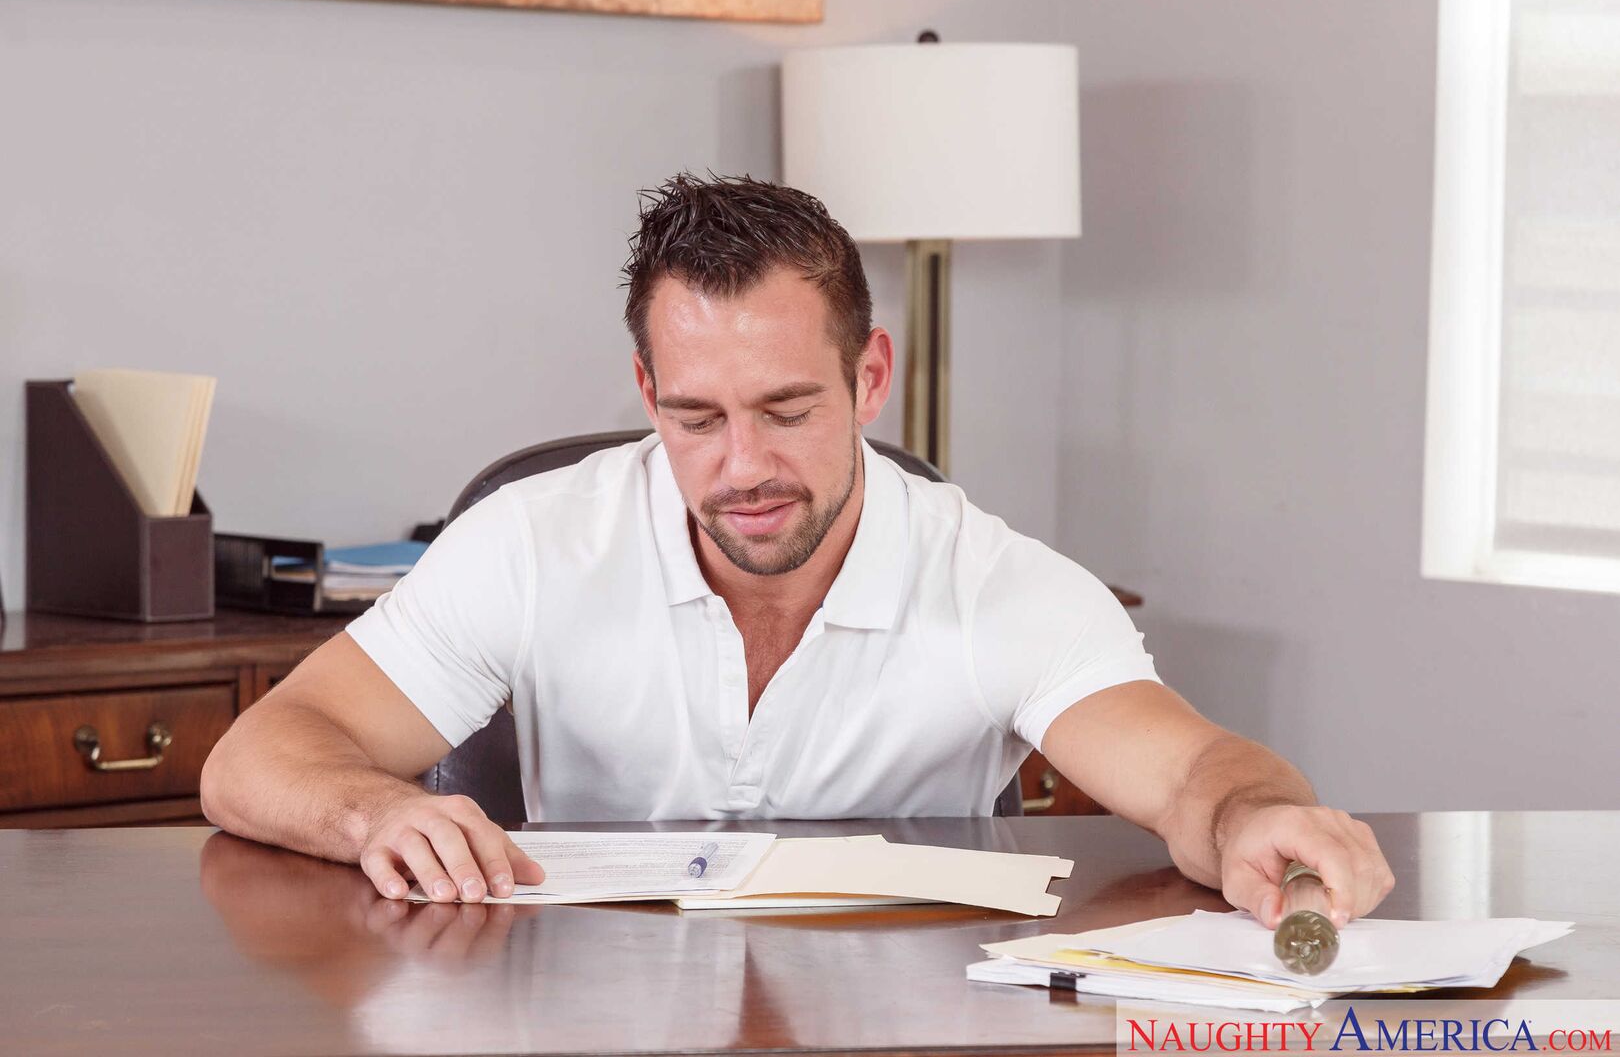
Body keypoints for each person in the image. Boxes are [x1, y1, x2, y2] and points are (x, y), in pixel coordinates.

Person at [201, 173, 1394, 926]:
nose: (743, 468)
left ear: (871, 376)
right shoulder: (530, 538)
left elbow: (1193, 777)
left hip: (901, 1015)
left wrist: (1252, 819)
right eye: (695, 418)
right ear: (645, 389)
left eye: (786, 411)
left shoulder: (993, 580)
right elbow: (258, 758)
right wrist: (368, 813)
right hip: (578, 1009)